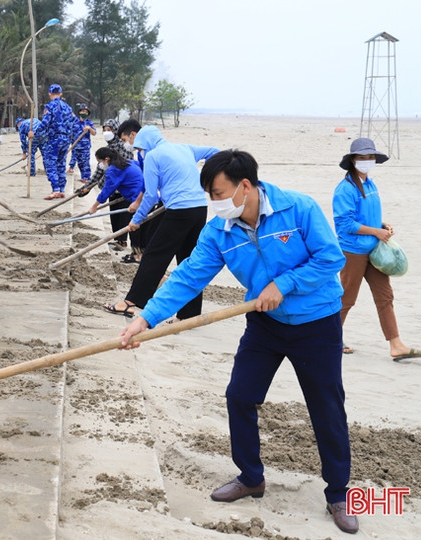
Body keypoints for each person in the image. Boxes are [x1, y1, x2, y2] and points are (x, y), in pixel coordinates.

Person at [119, 149, 358, 535]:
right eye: (210, 195)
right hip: (265, 325)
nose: (215, 203)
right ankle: (251, 476)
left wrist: (284, 284)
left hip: (317, 324)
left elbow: (330, 259)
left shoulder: (298, 209)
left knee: (327, 406)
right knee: (240, 395)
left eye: (218, 193)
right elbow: (188, 277)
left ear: (245, 186)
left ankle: (338, 493)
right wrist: (144, 318)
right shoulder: (220, 231)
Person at [103, 125, 218, 320]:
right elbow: (216, 153)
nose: (141, 152)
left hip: (179, 211)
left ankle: (131, 303)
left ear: (146, 144)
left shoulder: (153, 156)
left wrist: (136, 220)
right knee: (189, 261)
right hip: (199, 208)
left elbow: (149, 195)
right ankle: (189, 314)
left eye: (141, 148)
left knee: (154, 256)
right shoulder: (184, 148)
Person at [333, 138, 421, 361]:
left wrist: (382, 226)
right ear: (353, 161)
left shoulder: (370, 184)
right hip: (353, 252)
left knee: (385, 296)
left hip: (374, 251)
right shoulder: (345, 189)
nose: (367, 161)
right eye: (362, 158)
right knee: (346, 299)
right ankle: (331, 339)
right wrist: (376, 232)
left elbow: (366, 216)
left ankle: (396, 345)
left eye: (370, 157)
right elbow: (345, 224)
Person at [77, 118, 136, 250]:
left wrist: (95, 205)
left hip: (124, 190)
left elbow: (123, 171)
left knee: (124, 216)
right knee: (114, 215)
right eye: (104, 130)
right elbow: (98, 172)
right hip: (111, 191)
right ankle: (117, 240)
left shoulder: (125, 147)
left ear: (116, 131)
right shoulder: (106, 150)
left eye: (109, 130)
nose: (106, 133)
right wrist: (85, 188)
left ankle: (122, 241)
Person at [87, 147, 144, 263]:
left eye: (100, 162)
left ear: (106, 159)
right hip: (143, 196)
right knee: (141, 228)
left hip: (137, 199)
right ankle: (139, 254)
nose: (100, 165)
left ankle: (138, 255)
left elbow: (107, 190)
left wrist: (94, 206)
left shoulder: (113, 170)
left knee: (135, 229)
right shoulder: (128, 162)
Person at [33, 84, 75, 199]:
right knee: (61, 164)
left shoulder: (49, 106)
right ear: (61, 94)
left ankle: (55, 189)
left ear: (49, 94)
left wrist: (34, 133)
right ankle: (61, 189)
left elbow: (45, 123)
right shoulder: (68, 107)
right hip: (65, 139)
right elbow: (73, 123)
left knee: (50, 163)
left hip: (53, 139)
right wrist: (69, 136)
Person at [67, 104, 96, 182]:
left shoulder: (89, 123)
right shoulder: (74, 121)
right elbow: (70, 134)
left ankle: (86, 178)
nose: (84, 113)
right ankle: (83, 177)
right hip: (75, 146)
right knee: (79, 163)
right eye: (83, 111)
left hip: (85, 147)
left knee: (85, 162)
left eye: (86, 112)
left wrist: (89, 128)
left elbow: (94, 133)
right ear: (79, 112)